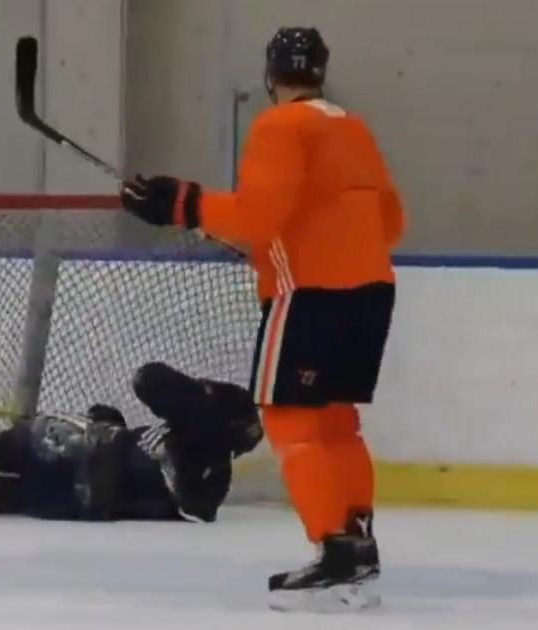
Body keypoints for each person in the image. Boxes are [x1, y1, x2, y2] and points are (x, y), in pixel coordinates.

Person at [119, 27, 406, 612]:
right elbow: (391, 222)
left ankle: (335, 553)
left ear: (271, 75)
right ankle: (359, 545)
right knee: (336, 423)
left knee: (291, 420)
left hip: (310, 295)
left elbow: (257, 217)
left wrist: (181, 203)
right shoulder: (352, 127)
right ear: (322, 70)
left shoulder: (279, 125)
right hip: (371, 292)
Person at [0, 362, 263, 524]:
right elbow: (149, 383)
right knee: (10, 477)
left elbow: (198, 508)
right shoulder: (181, 432)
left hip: (86, 477)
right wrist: (114, 425)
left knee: (8, 463)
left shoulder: (205, 459)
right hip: (87, 474)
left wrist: (170, 462)